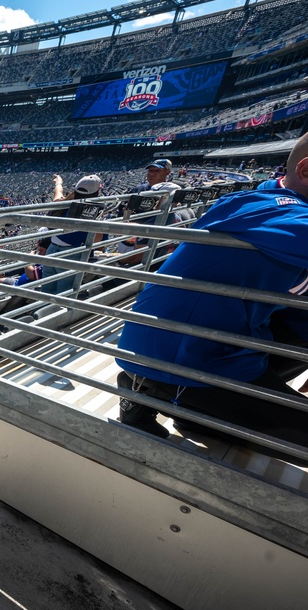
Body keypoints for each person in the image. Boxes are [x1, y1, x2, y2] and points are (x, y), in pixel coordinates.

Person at [116, 132, 308, 452]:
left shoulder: (268, 201)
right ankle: (153, 391)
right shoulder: (275, 212)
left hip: (219, 343)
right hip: (184, 359)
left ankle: (195, 414)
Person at [42, 174, 105, 294]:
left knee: (47, 289)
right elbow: (97, 240)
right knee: (65, 291)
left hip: (52, 248)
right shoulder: (93, 210)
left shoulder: (65, 203)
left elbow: (58, 194)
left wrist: (59, 183)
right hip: (72, 253)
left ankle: (40, 310)